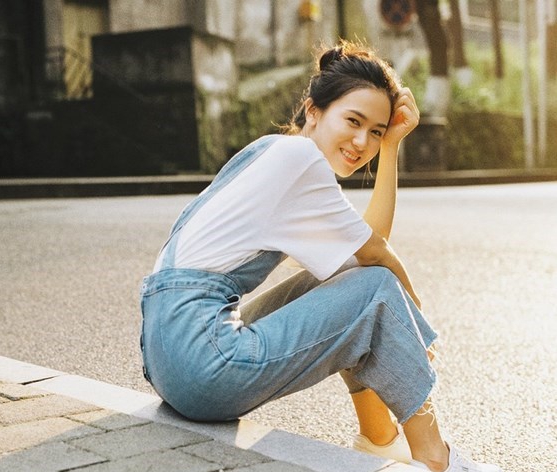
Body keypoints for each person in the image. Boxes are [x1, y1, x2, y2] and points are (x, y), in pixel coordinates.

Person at [139, 41, 501, 472]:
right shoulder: (301, 161)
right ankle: (437, 459)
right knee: (377, 290)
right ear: (313, 110)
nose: (362, 141)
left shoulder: (270, 150)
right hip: (202, 364)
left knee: (348, 285)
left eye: (377, 132)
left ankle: (380, 441)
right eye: (353, 121)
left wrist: (392, 149)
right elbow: (377, 254)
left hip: (167, 360)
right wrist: (412, 313)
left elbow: (363, 252)